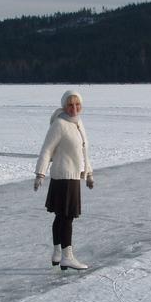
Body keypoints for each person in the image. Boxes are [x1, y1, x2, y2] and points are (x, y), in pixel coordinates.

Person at [34, 90, 94, 270]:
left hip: (74, 176)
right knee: (67, 217)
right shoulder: (59, 124)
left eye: (77, 104)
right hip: (65, 177)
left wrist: (89, 174)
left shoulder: (78, 123)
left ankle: (57, 252)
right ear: (63, 106)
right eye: (70, 104)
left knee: (61, 216)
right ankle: (67, 256)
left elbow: (83, 152)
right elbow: (46, 150)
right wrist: (40, 174)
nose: (74, 108)